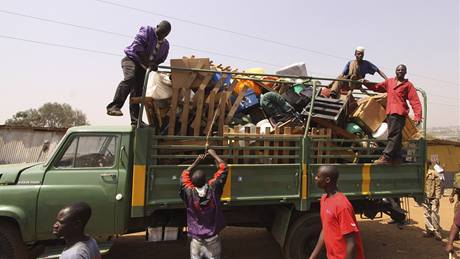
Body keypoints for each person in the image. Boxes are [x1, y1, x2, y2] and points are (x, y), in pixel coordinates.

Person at [106, 21, 171, 126]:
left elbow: (162, 58)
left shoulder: (165, 45)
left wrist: (153, 64)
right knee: (130, 78)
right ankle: (114, 106)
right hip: (131, 59)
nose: (162, 35)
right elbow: (138, 47)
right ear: (157, 27)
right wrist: (148, 63)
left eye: (165, 34)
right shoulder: (147, 31)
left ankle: (135, 120)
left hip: (143, 67)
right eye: (161, 32)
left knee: (137, 93)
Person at [362, 64, 422, 164]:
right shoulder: (390, 82)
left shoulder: (408, 85)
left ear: (405, 72)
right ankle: (397, 157)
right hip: (390, 112)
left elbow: (414, 100)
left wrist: (418, 115)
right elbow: (378, 87)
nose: (400, 71)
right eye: (398, 70)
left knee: (393, 135)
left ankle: (386, 157)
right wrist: (366, 83)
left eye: (402, 70)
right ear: (395, 71)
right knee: (397, 136)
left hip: (399, 113)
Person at [180, 149, 228, 259]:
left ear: (192, 183)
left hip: (196, 241)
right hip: (213, 239)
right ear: (206, 180)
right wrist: (214, 154)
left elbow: (184, 176)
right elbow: (224, 168)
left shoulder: (189, 193)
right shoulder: (213, 189)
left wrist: (195, 162)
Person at [309, 165, 365, 259]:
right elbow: (325, 230)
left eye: (318, 176)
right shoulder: (324, 199)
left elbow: (351, 243)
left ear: (327, 180)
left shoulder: (342, 206)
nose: (315, 178)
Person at [422, 161, 443, 240]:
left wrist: (437, 198)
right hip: (425, 197)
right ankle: (429, 231)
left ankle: (437, 233)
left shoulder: (434, 174)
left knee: (434, 215)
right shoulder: (421, 174)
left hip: (433, 197)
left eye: (426, 164)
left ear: (429, 165)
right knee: (426, 215)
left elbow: (438, 186)